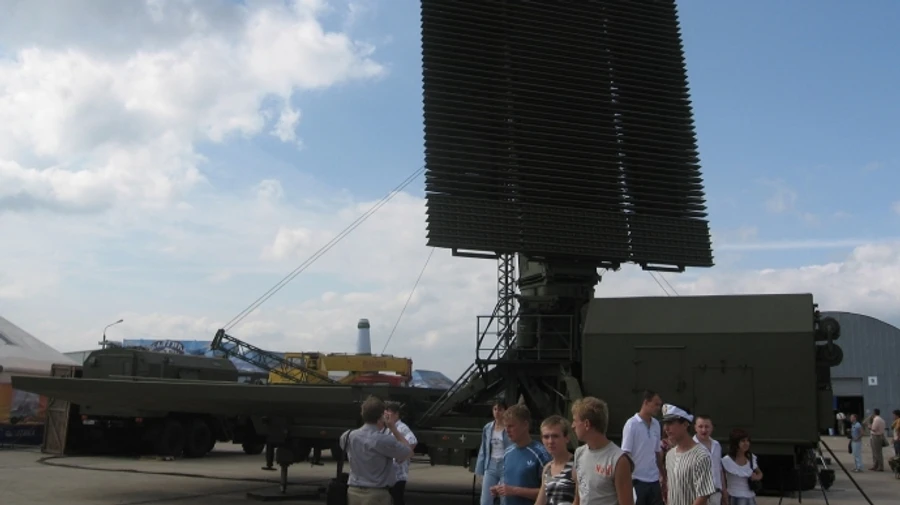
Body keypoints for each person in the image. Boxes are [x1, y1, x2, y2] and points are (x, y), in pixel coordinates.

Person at [341, 396, 414, 505]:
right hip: (376, 493)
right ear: (381, 417)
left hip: (353, 491)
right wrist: (393, 428)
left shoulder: (347, 436)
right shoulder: (383, 440)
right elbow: (408, 451)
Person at [571, 396, 635, 505]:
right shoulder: (579, 453)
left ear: (586, 424)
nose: (572, 426)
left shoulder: (618, 460)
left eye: (575, 421)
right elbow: (578, 499)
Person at [489, 403, 551, 505]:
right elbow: (509, 483)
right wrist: (499, 489)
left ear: (525, 425)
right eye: (505, 426)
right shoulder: (508, 452)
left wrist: (514, 490)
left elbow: (550, 492)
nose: (507, 430)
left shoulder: (541, 454)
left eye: (511, 426)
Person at [660, 404, 716, 505]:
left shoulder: (701, 456)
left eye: (670, 423)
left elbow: (703, 495)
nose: (666, 428)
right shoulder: (669, 455)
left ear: (685, 424)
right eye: (665, 423)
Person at [622, 390, 665, 505]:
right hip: (637, 480)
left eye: (660, 405)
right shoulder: (631, 424)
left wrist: (663, 475)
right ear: (646, 402)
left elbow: (657, 452)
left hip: (654, 480)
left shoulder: (656, 424)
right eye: (656, 404)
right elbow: (625, 454)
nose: (658, 408)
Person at [475, 399, 512, 505]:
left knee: (505, 499)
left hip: (505, 466)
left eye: (500, 409)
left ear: (505, 411)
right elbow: (483, 449)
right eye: (495, 409)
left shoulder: (509, 428)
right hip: (490, 465)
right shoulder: (488, 427)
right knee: (485, 500)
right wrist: (479, 470)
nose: (497, 412)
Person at [534, 415, 576, 505]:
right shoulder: (547, 468)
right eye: (546, 437)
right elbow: (540, 502)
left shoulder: (576, 465)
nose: (550, 441)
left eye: (555, 436)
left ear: (567, 438)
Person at [383, 401, 417, 505]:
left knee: (397, 499)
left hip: (398, 473)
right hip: (388, 473)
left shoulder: (402, 427)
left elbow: (412, 441)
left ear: (396, 414)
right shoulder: (386, 428)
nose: (386, 416)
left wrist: (403, 457)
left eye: (389, 413)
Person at [721, 428, 762, 505]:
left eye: (747, 441)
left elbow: (760, 473)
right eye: (743, 441)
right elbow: (722, 480)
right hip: (734, 495)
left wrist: (756, 477)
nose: (746, 443)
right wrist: (724, 494)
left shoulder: (750, 458)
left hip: (750, 496)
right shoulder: (726, 460)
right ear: (735, 443)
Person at [693, 415, 726, 505]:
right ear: (695, 427)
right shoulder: (691, 446)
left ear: (712, 428)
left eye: (707, 426)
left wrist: (724, 491)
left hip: (715, 493)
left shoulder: (717, 445)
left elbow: (719, 470)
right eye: (700, 426)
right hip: (698, 494)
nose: (704, 430)